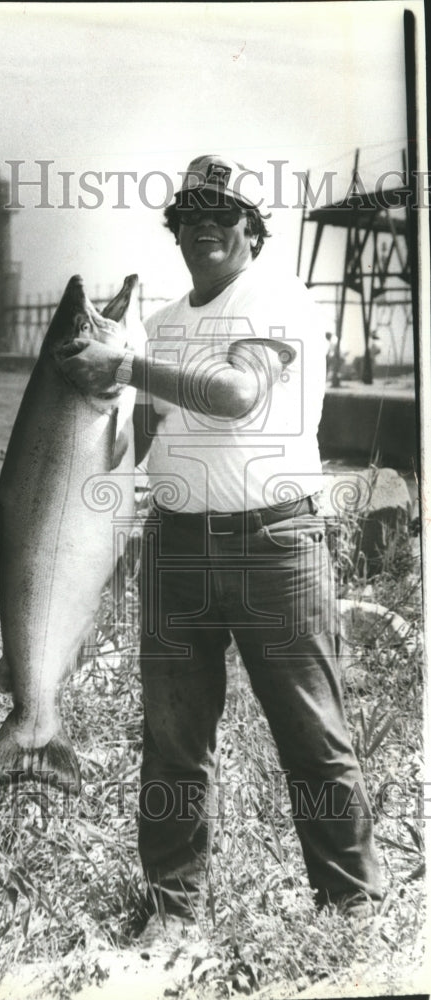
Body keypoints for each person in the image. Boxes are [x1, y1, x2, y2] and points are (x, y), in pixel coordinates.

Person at [57, 154, 382, 954]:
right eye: (190, 212)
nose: (205, 223)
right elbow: (133, 438)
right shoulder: (162, 322)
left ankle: (352, 914)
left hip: (273, 544)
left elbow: (239, 397)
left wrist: (126, 366)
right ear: (174, 229)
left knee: (311, 736)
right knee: (171, 744)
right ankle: (173, 916)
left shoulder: (273, 297)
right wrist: (74, 410)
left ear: (250, 230)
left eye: (222, 212)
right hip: (175, 547)